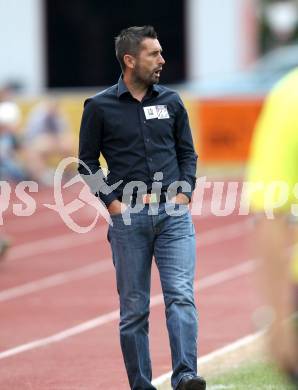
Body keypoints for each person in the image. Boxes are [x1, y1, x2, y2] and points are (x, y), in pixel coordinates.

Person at [78, 26, 206, 390]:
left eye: (162, 53)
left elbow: (187, 154)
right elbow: (86, 163)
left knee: (180, 296)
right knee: (134, 310)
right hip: (128, 218)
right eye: (154, 54)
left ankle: (185, 376)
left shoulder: (172, 101)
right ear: (130, 60)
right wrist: (112, 204)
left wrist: (184, 194)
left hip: (174, 215)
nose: (162, 60)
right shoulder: (99, 106)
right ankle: (141, 385)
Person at [247, 67, 298, 386]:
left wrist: (277, 324)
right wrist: (277, 324)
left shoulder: (289, 95)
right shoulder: (289, 98)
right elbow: (270, 214)